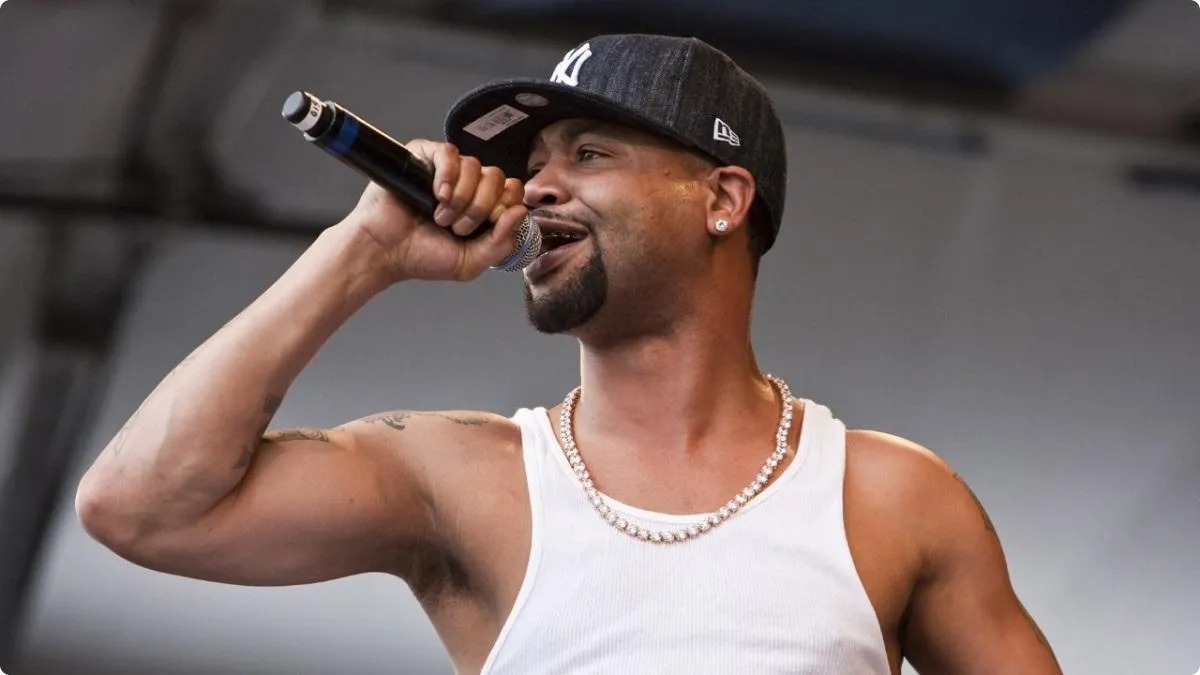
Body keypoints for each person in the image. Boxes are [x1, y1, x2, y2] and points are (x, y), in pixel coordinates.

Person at [75, 34, 1062, 674]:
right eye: (529, 165)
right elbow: (142, 508)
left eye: (589, 154)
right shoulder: (462, 476)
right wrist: (361, 252)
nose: (537, 189)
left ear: (723, 199)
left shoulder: (893, 497)